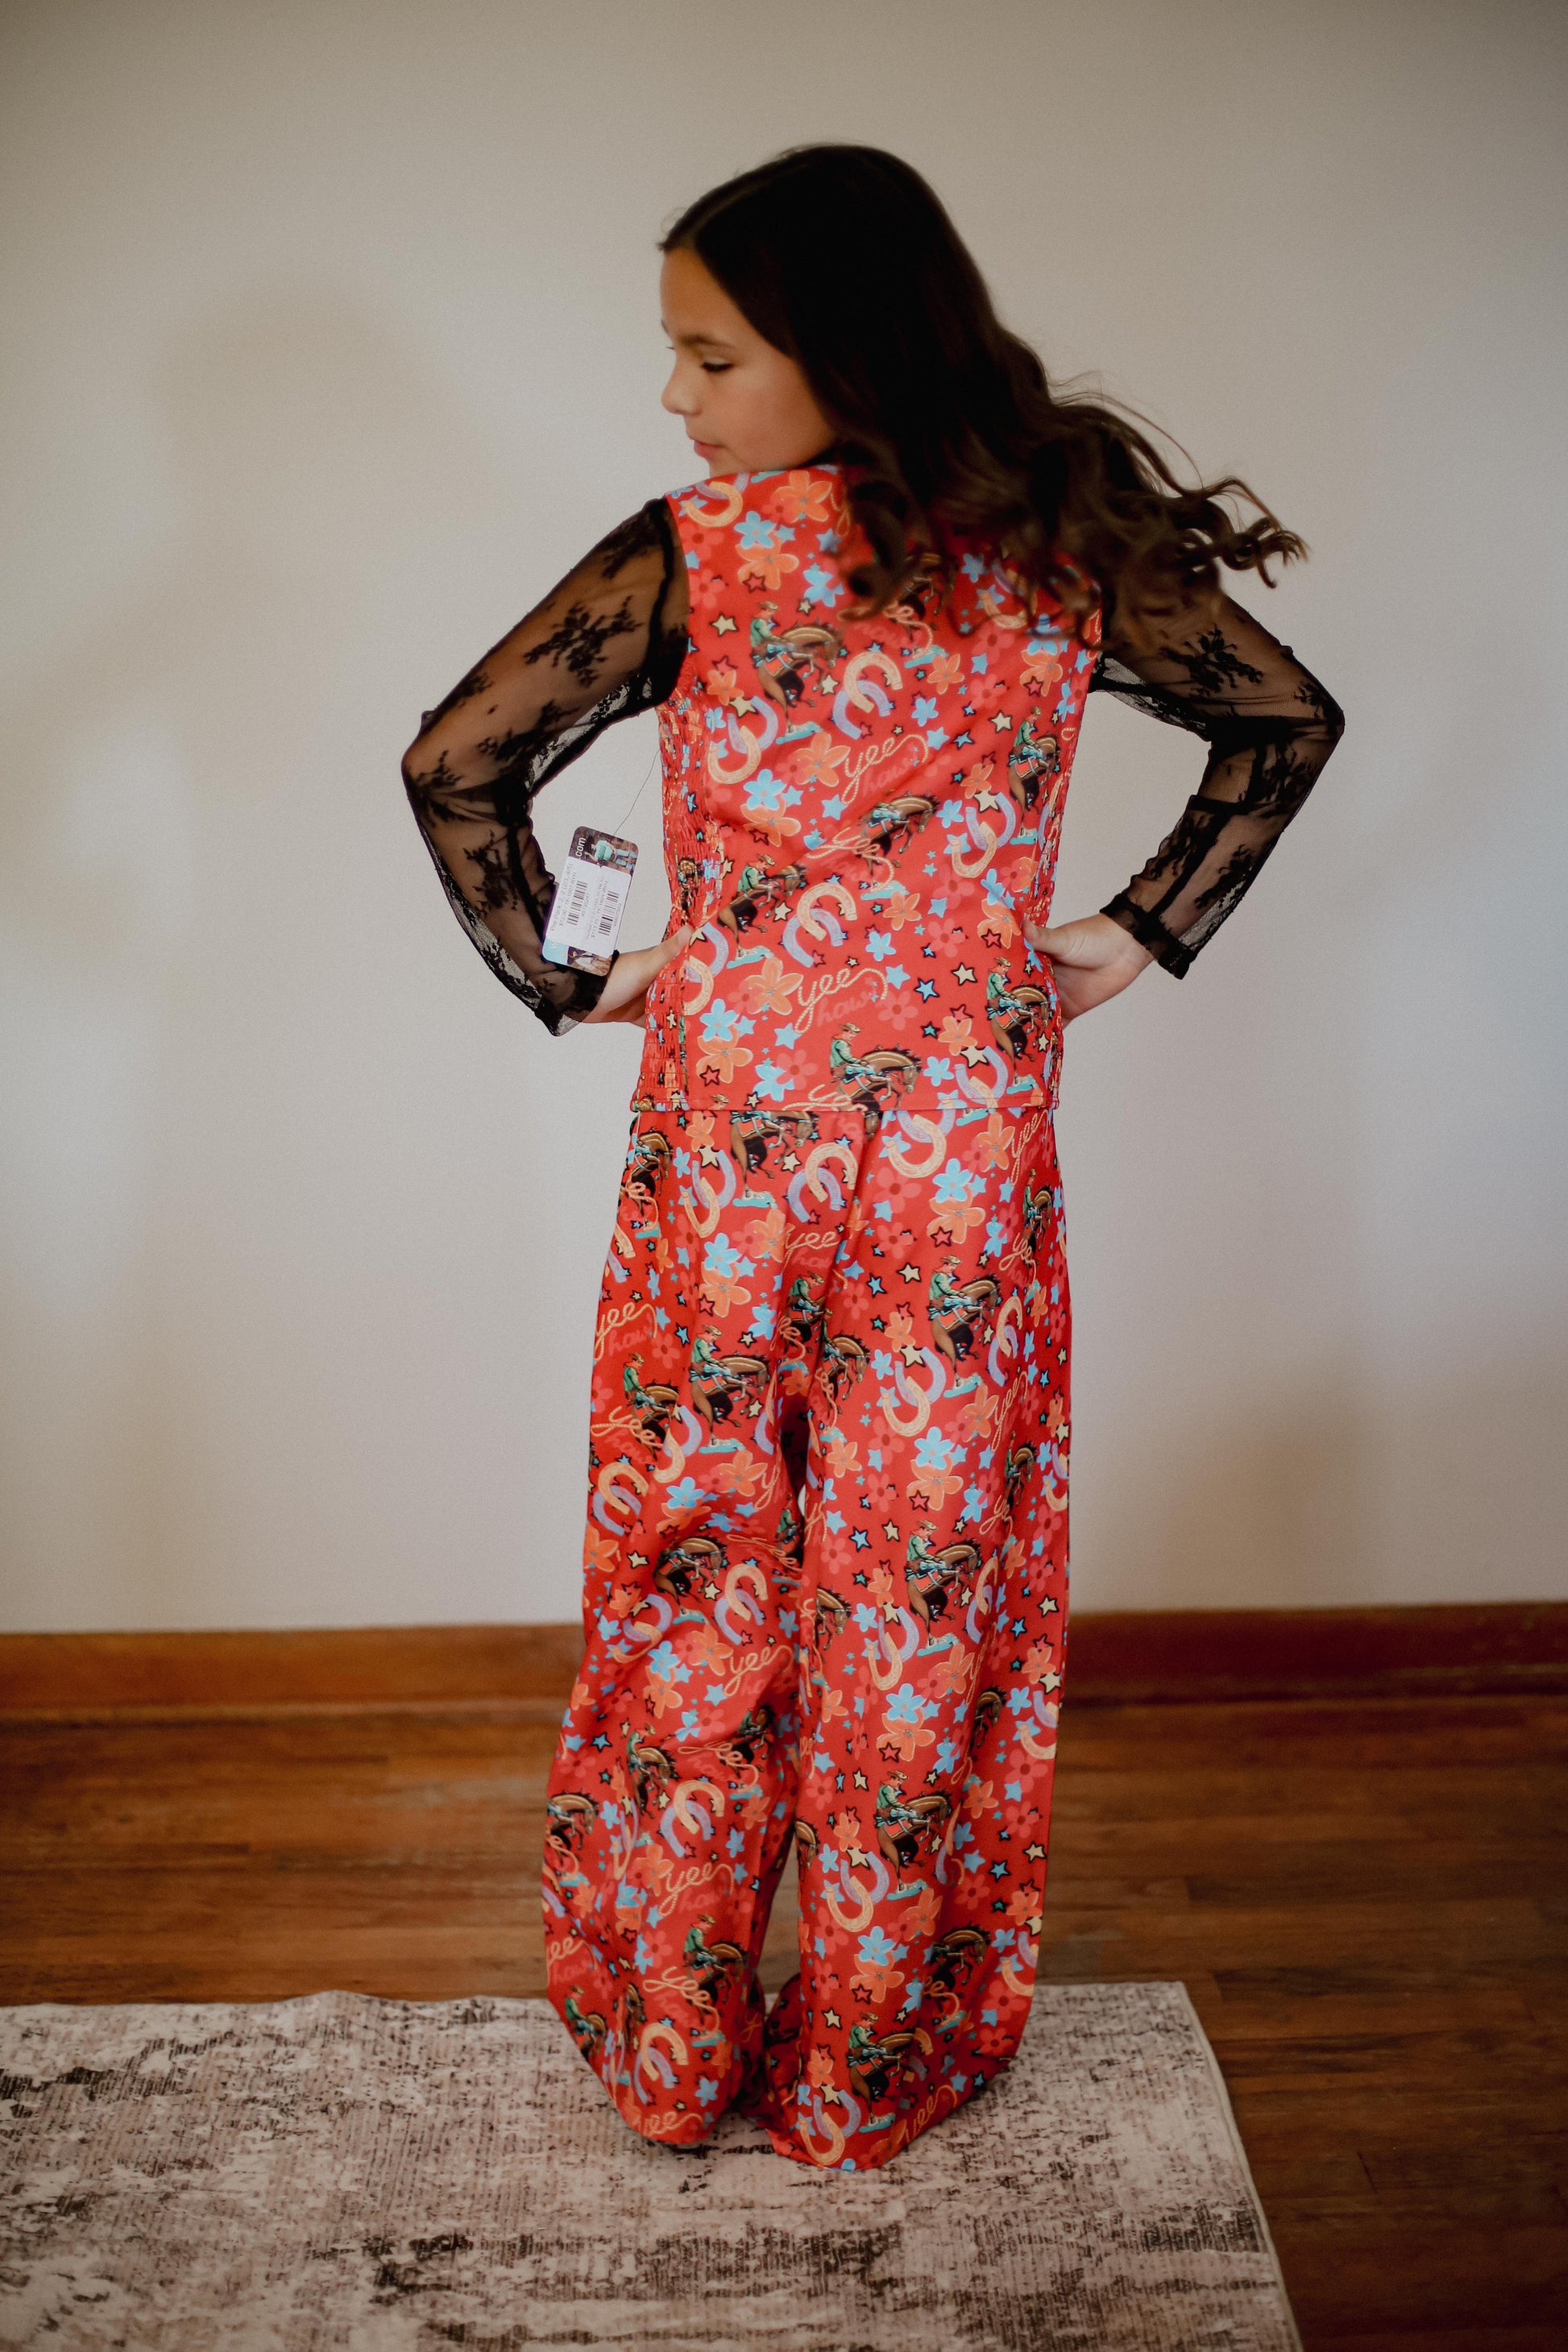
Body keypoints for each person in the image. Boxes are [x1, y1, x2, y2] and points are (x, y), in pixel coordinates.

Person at [401, 145, 1343, 2172]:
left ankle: (674, 2044)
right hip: (958, 1154)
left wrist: (585, 971)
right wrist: (1133, 929)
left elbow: (457, 760)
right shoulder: (1062, 548)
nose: (676, 394)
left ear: (840, 347)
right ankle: (860, 2058)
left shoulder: (694, 557)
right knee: (918, 1590)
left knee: (699, 1571)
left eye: (709, 353)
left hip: (730, 1149)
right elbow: (1281, 721)